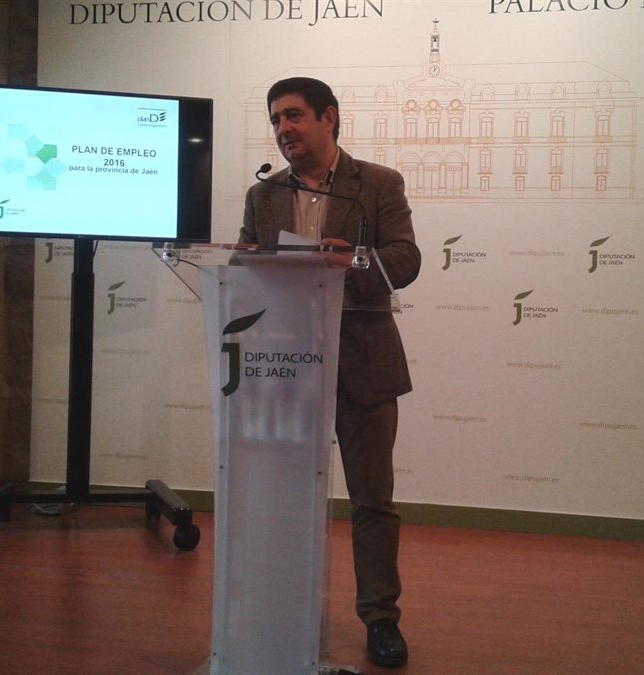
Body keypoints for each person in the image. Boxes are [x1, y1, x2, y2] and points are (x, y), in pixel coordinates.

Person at [239, 76, 420, 670]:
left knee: (373, 501)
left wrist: (355, 260)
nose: (283, 129)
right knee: (287, 499)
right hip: (287, 366)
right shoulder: (263, 195)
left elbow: (406, 260)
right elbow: (240, 263)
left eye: (293, 116)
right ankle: (288, 609)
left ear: (329, 118)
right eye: (275, 120)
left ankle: (381, 619)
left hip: (363, 363)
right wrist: (251, 266)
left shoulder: (378, 184)